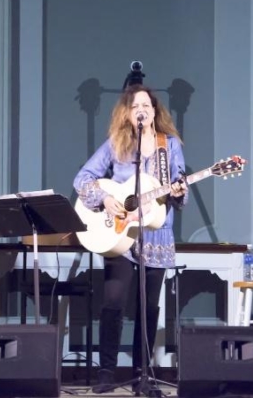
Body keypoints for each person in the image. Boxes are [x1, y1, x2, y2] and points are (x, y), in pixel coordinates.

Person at [74, 84, 188, 394]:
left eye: (147, 106)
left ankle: (143, 374)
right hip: (119, 234)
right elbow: (82, 178)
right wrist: (105, 199)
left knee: (149, 307)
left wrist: (179, 191)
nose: (142, 110)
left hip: (157, 233)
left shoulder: (170, 145)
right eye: (135, 106)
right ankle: (106, 372)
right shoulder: (117, 143)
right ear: (127, 112)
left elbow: (179, 186)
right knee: (113, 303)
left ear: (154, 112)